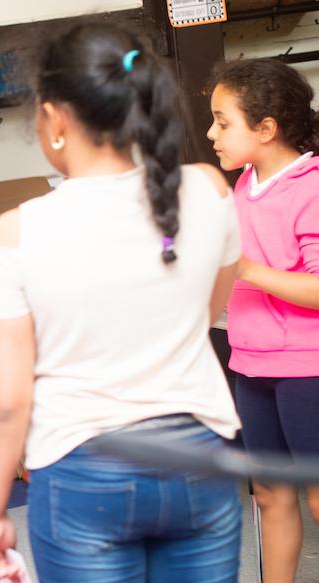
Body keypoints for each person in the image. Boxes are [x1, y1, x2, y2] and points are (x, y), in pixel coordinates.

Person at [0, 24, 243, 583]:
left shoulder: (15, 233)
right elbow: (204, 314)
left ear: (55, 119)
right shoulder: (211, 191)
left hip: (81, 468)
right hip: (199, 456)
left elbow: (4, 397)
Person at [207, 58, 319, 583]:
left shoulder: (311, 188)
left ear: (267, 128)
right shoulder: (244, 185)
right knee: (272, 496)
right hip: (251, 367)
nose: (212, 134)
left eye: (223, 121)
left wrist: (245, 267)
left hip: (308, 371)